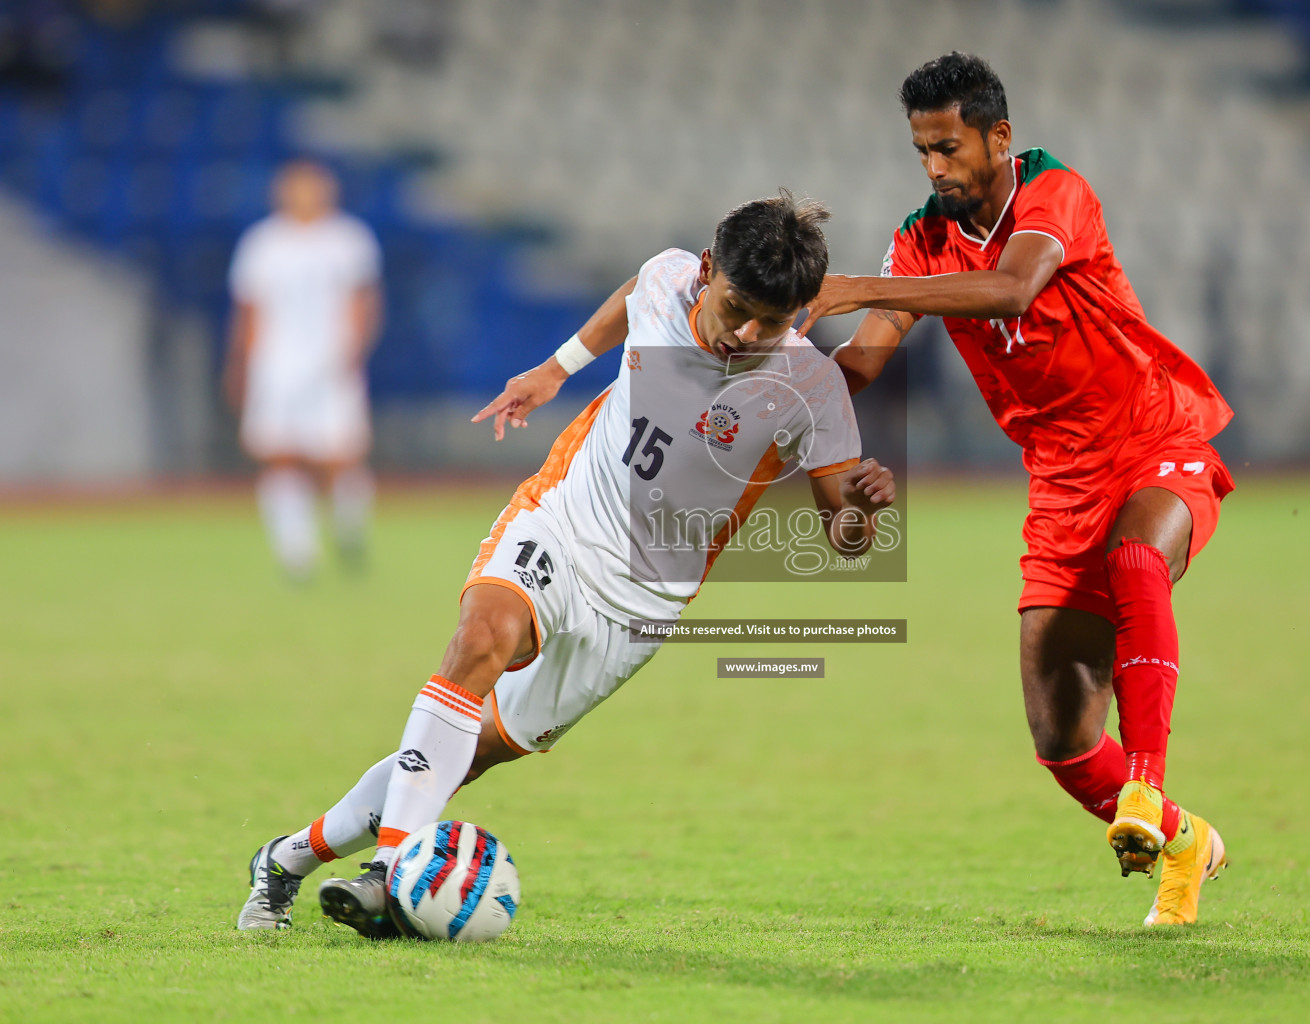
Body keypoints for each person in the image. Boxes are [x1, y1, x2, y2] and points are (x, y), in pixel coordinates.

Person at [237, 192, 895, 934]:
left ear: (801, 312)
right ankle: (392, 873)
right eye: (735, 306)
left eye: (770, 324)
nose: (745, 333)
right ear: (707, 271)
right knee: (481, 638)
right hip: (566, 518)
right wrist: (556, 368)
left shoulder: (811, 388)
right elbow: (626, 299)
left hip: (644, 602)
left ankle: (285, 859)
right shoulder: (666, 278)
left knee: (469, 755)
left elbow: (845, 536)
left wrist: (862, 513)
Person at [800, 53, 1234, 926]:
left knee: (1139, 556)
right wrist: (787, 386)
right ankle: (1187, 843)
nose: (935, 169)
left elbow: (1012, 287)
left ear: (999, 137)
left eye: (950, 148)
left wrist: (862, 286)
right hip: (1060, 479)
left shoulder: (1054, 192)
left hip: (1152, 436)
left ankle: (1149, 788)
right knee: (1063, 739)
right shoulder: (921, 238)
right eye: (922, 151)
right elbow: (867, 356)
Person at [225, 159, 383, 582]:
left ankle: (349, 530)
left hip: (330, 364)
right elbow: (249, 310)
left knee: (339, 456)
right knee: (280, 455)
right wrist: (240, 364)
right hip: (275, 367)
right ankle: (297, 552)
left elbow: (363, 303)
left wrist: (353, 353)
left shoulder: (348, 240)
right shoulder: (262, 243)